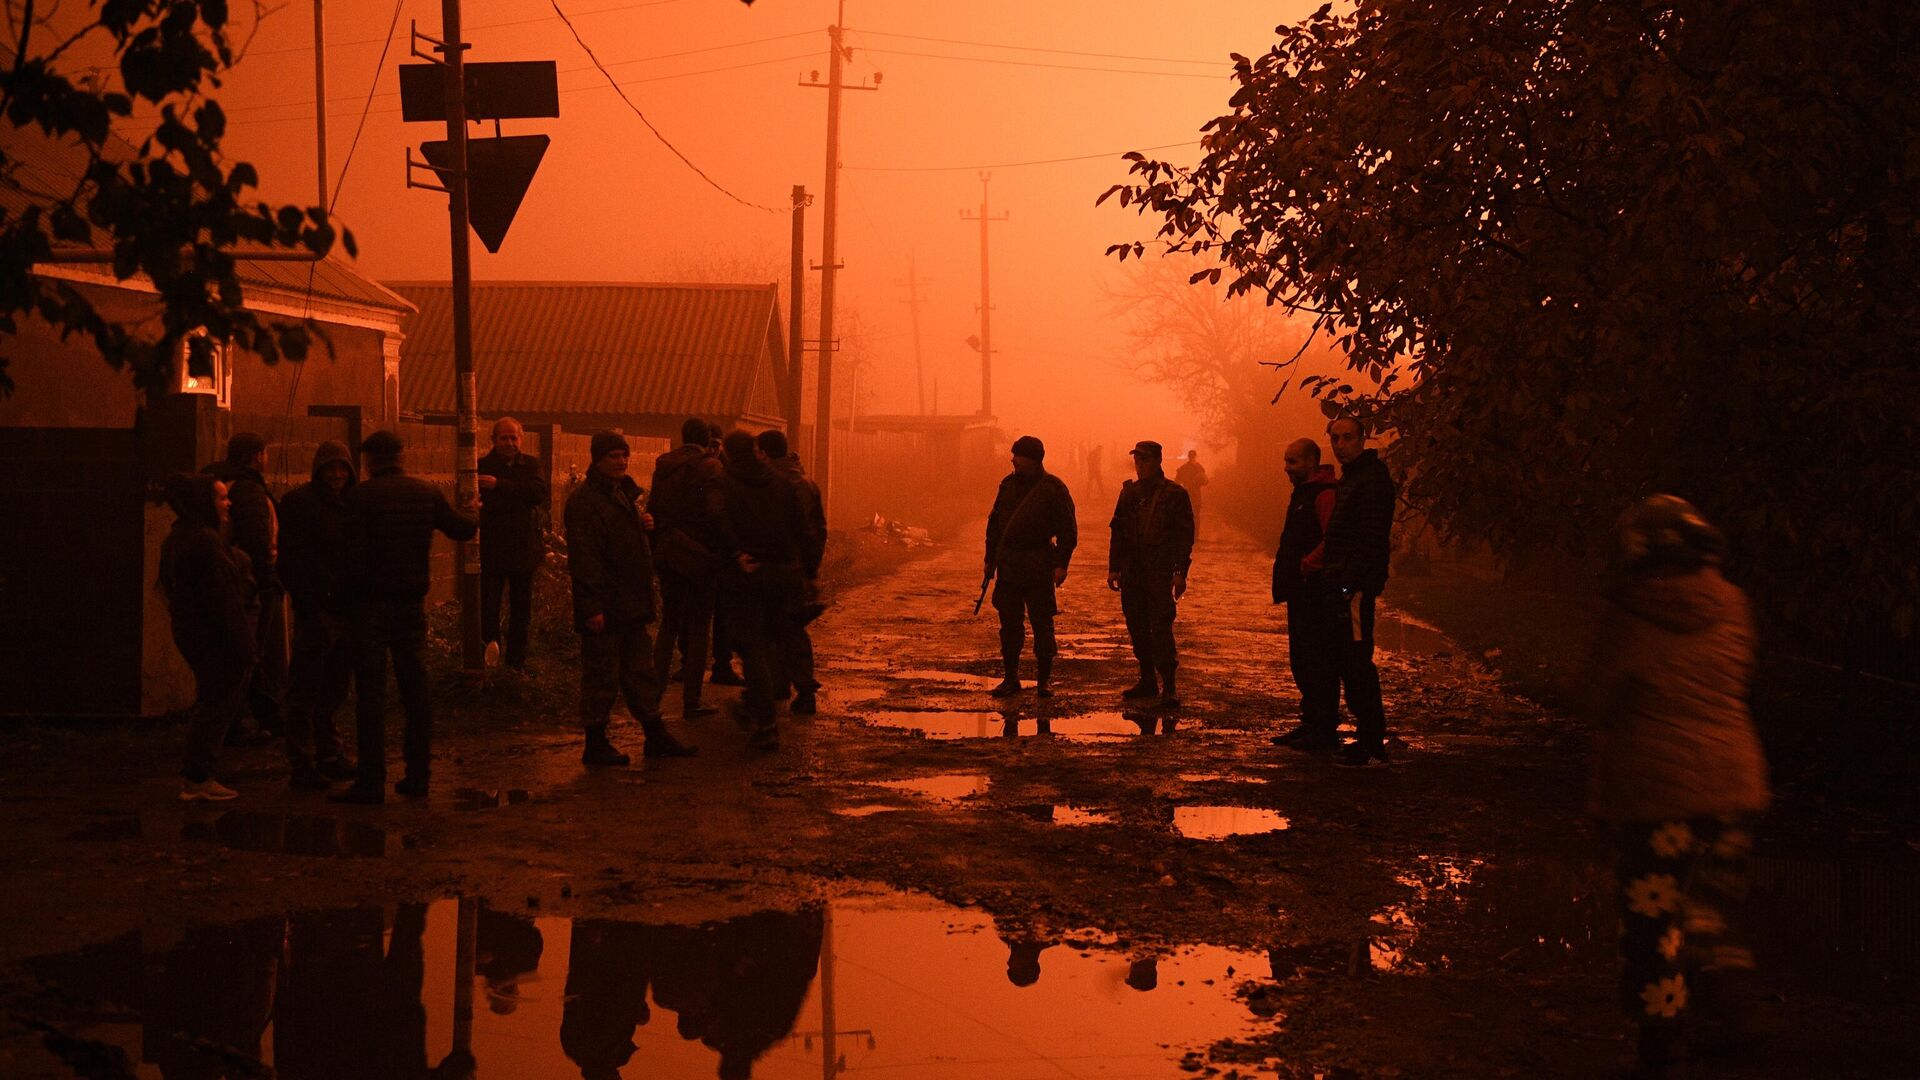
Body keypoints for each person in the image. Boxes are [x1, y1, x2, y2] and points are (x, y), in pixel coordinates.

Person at [1586, 495, 1770, 1078]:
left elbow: (1594, 696)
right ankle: (1740, 1020)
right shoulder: (1734, 605)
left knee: (1654, 922)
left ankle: (1662, 1046)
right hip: (1736, 785)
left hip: (1655, 792)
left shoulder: (1628, 613)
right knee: (1712, 913)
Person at [330, 430, 479, 805]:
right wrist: (474, 510)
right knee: (415, 691)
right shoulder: (424, 492)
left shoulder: (360, 497)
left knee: (371, 694)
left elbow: (347, 555)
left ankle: (370, 781)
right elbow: (460, 528)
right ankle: (418, 775)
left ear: (369, 461)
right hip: (410, 605)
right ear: (401, 455)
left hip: (369, 608)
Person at [565, 431, 698, 765]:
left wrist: (644, 528)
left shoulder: (623, 495)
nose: (621, 462)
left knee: (641, 672)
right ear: (597, 459)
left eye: (624, 455)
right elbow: (585, 558)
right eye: (613, 456)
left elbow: (627, 547)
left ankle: (655, 735)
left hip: (631, 602)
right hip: (605, 605)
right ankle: (594, 743)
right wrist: (590, 606)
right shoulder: (585, 503)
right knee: (601, 675)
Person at [158, 473, 258, 802]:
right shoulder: (205, 542)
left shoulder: (179, 536)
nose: (227, 503)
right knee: (216, 704)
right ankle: (198, 777)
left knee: (210, 701)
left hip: (194, 633)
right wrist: (245, 646)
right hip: (215, 638)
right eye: (219, 497)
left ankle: (198, 774)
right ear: (203, 502)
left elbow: (165, 589)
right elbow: (225, 601)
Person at [711, 430, 810, 751]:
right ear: (755, 451)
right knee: (770, 643)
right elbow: (802, 527)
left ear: (726, 451)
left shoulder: (724, 484)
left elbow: (717, 521)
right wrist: (804, 571)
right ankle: (757, 704)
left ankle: (765, 720)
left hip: (746, 577)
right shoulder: (781, 483)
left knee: (753, 649)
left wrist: (734, 554)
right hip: (781, 574)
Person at [277, 440, 361, 788]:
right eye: (330, 468)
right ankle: (301, 762)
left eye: (342, 468)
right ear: (318, 471)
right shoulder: (299, 504)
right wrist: (308, 602)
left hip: (345, 610)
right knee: (305, 690)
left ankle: (328, 753)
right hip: (317, 612)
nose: (337, 475)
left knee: (333, 689)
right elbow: (290, 560)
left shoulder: (353, 506)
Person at [1321, 417, 1397, 766]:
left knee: (1356, 662)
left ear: (1362, 439)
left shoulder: (1371, 480)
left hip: (1355, 587)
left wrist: (1352, 583)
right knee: (1348, 660)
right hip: (1345, 584)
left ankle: (1371, 742)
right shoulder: (1354, 478)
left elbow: (1369, 539)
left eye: (1347, 438)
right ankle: (1368, 739)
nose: (1340, 444)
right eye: (1335, 438)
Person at [203, 431, 285, 744]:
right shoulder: (248, 490)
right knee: (252, 653)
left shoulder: (222, 481)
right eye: (264, 454)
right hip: (248, 582)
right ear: (256, 456)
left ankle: (247, 719)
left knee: (237, 653)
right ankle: (251, 720)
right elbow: (257, 540)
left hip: (227, 578)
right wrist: (267, 580)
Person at [983, 434, 1077, 698]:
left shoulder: (1053, 489)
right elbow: (995, 525)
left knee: (1042, 624)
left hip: (1038, 564)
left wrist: (1061, 564)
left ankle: (1044, 681)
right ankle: (1010, 678)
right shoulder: (1008, 485)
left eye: (1019, 455)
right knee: (1009, 625)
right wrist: (990, 559)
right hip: (1009, 565)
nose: (1013, 460)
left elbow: (1068, 531)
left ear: (1034, 459)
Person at [1106, 440, 1196, 709]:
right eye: (1137, 460)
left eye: (1145, 460)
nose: (1140, 465)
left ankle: (1169, 686)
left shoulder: (1174, 494)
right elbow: (1118, 532)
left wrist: (1180, 573)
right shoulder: (1129, 494)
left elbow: (1184, 537)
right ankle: (1147, 679)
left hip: (1158, 570)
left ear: (1157, 461)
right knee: (1137, 626)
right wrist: (1114, 567)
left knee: (1160, 628)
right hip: (1133, 570)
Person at [648, 417, 727, 718]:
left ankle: (652, 698)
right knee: (698, 629)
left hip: (668, 551)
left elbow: (653, 509)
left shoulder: (663, 466)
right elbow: (716, 515)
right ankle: (692, 701)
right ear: (708, 440)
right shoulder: (711, 467)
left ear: (682, 437)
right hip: (700, 557)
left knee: (668, 624)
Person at [1271, 438, 1341, 750]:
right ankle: (1310, 723)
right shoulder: (1304, 492)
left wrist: (1307, 565)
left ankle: (1323, 729)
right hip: (1301, 590)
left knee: (1318, 660)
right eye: (1286, 461)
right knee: (1302, 660)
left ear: (1312, 461)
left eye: (1294, 462)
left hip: (1316, 591)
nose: (1287, 468)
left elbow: (1333, 540)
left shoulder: (1324, 494)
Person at [757, 428, 827, 715]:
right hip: (797, 568)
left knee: (775, 628)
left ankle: (798, 686)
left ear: (762, 452)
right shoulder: (806, 483)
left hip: (773, 567)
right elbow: (818, 532)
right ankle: (790, 684)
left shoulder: (767, 483)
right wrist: (811, 571)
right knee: (789, 626)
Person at [477, 416, 549, 671]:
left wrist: (499, 486)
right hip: (492, 550)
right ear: (494, 440)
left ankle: (515, 666)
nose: (509, 443)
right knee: (488, 611)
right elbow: (487, 504)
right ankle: (488, 664)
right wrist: (515, 497)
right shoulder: (481, 466)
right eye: (503, 438)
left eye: (513, 437)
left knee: (521, 613)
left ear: (521, 439)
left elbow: (537, 494)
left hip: (523, 551)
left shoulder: (531, 465)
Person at [705, 421, 747, 687]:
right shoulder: (719, 474)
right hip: (716, 552)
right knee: (719, 612)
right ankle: (719, 664)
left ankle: (721, 663)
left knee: (722, 612)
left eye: (716, 445)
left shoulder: (724, 474)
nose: (712, 450)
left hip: (719, 552)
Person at [1175, 449, 1210, 516]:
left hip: (1187, 494)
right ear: (1195, 456)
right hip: (1195, 494)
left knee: (1186, 514)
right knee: (1196, 515)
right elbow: (1206, 481)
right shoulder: (1198, 467)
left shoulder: (1184, 468)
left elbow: (1177, 482)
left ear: (1188, 456)